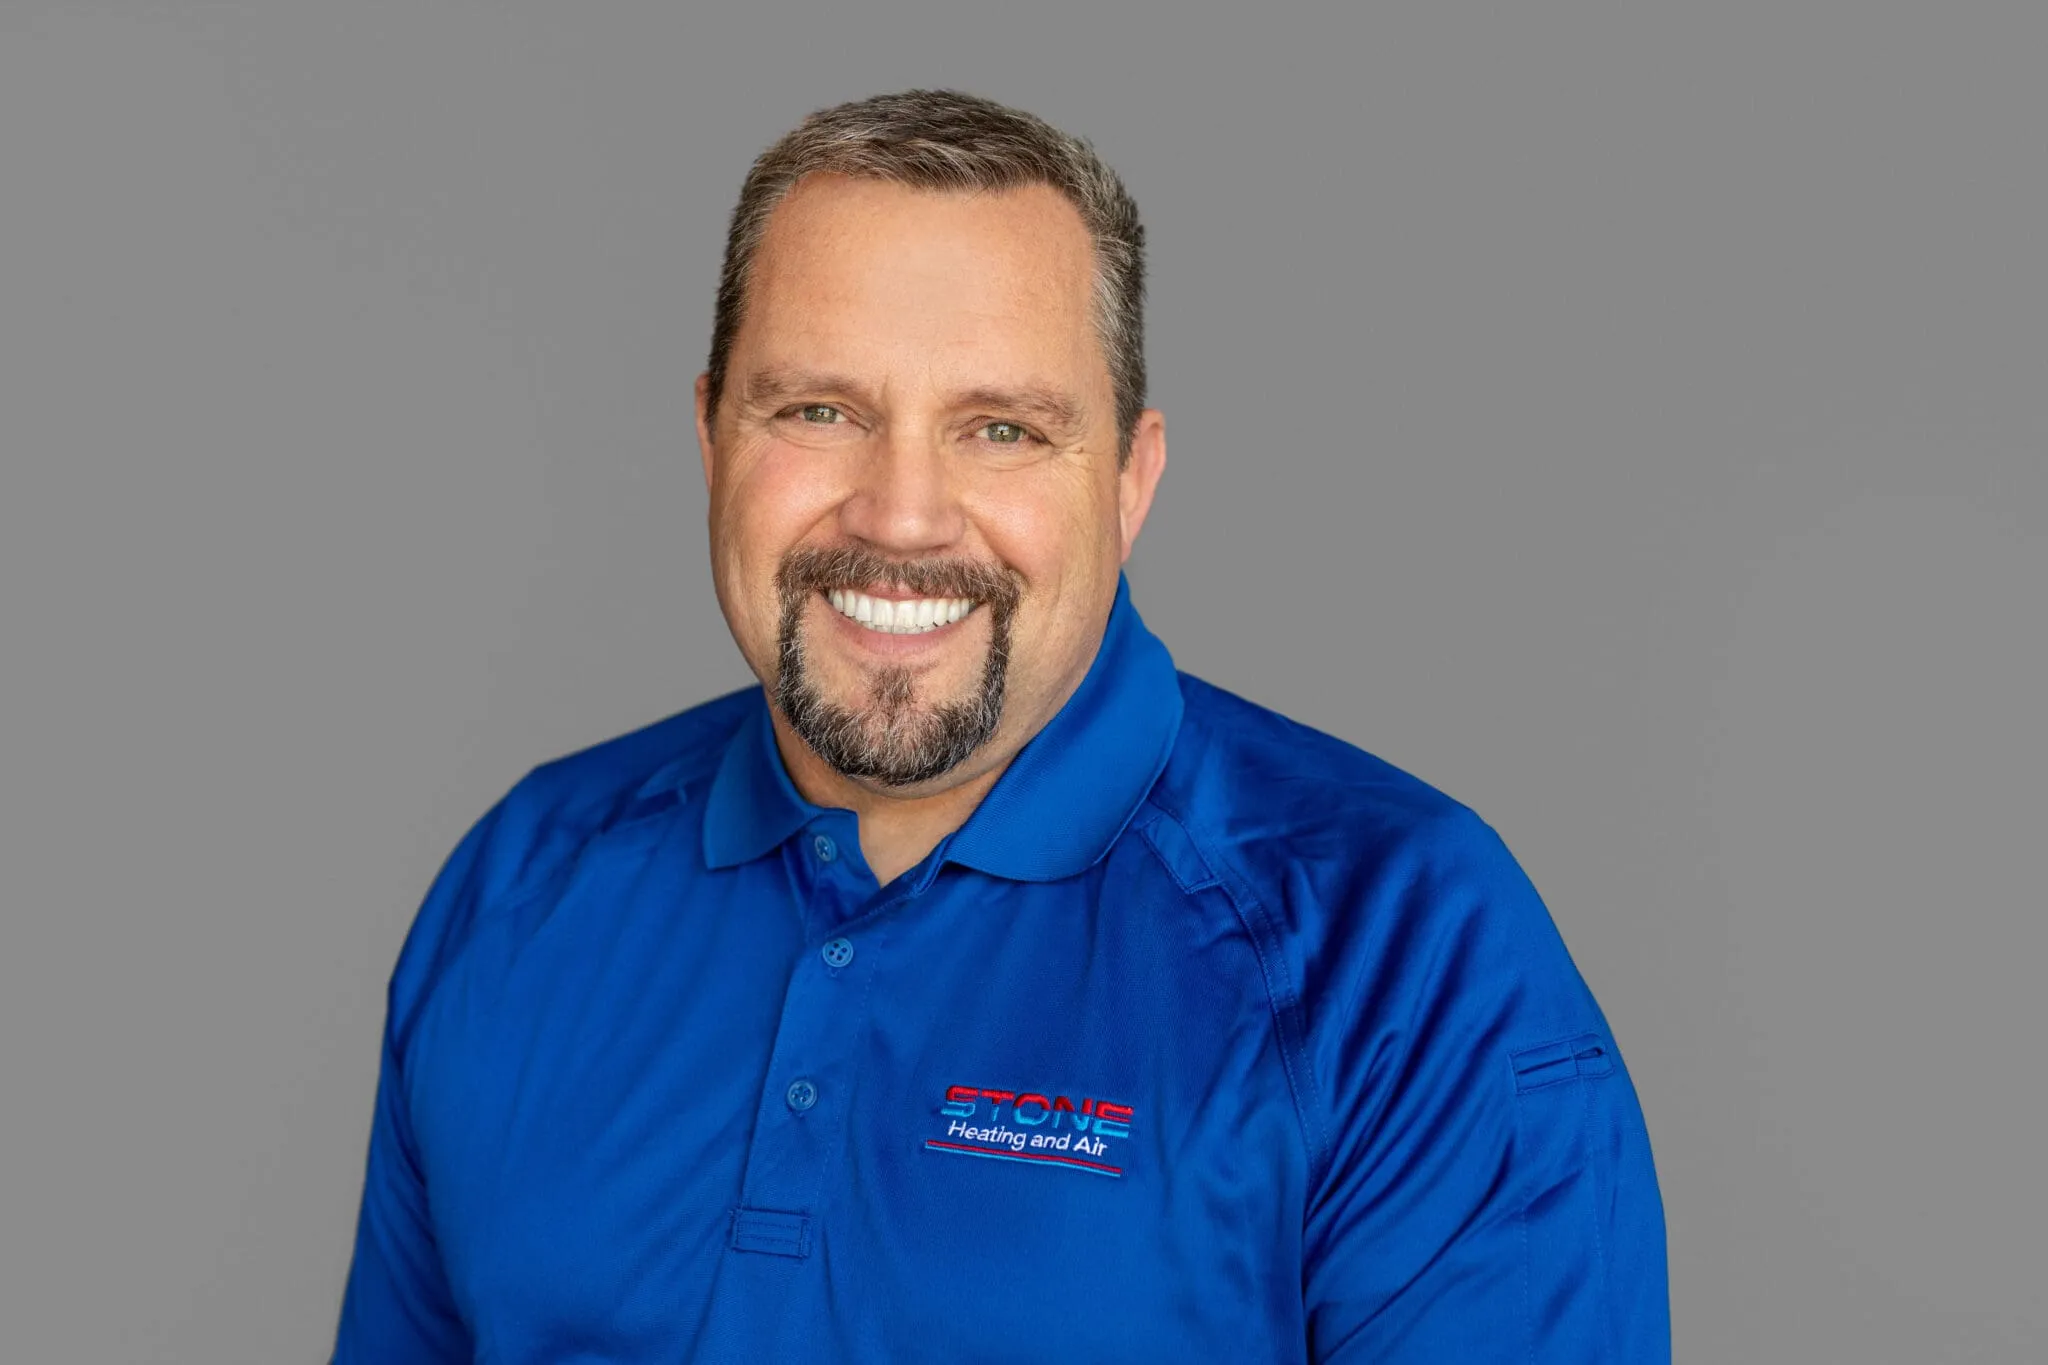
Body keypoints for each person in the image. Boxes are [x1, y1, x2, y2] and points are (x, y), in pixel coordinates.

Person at [333, 88, 1669, 1363]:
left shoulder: (1402, 945)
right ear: (710, 436)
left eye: (1003, 430)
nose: (902, 515)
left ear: (1131, 480)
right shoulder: (522, 885)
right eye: (820, 411)